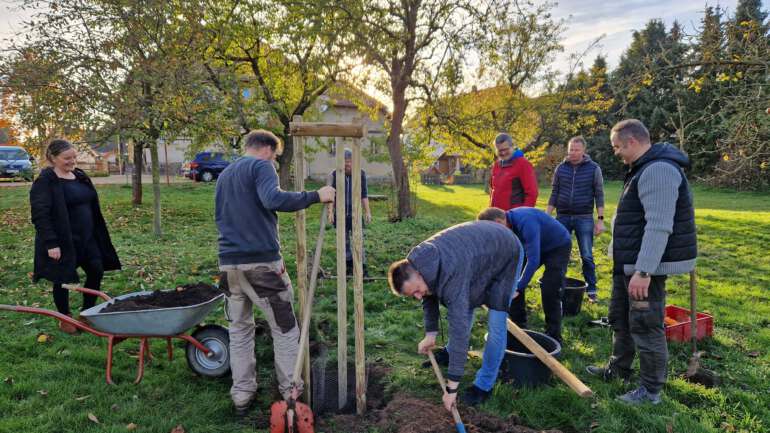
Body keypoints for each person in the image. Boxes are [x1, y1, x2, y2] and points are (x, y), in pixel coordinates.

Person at [214, 130, 335, 416]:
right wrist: (317, 195)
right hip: (262, 267)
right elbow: (273, 199)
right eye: (276, 155)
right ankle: (291, 394)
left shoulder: (225, 175)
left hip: (228, 266)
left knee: (240, 330)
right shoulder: (261, 165)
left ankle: (242, 396)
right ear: (267, 149)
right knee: (285, 329)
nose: (275, 160)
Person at [586, 119, 697, 405]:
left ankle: (650, 391)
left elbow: (659, 225)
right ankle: (618, 369)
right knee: (621, 318)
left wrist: (644, 271)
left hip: (645, 268)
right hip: (629, 264)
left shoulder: (659, 170)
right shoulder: (642, 168)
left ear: (632, 141)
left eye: (617, 147)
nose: (616, 153)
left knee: (646, 325)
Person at [387, 221, 523, 410]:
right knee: (462, 303)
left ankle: (484, 385)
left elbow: (460, 332)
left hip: (506, 252)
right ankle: (450, 354)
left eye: (416, 290)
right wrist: (431, 334)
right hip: (477, 253)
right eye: (413, 295)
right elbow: (428, 297)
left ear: (418, 274)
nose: (418, 296)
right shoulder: (418, 263)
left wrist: (452, 388)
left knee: (495, 323)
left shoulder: (451, 274)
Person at [30, 139, 121, 334]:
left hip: (87, 237)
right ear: (53, 158)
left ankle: (86, 314)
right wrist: (51, 243)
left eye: (74, 157)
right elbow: (40, 214)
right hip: (64, 240)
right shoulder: (45, 181)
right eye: (67, 158)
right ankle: (64, 318)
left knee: (96, 269)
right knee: (64, 278)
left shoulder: (79, 176)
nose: (72, 161)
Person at [477, 206, 570, 343]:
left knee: (550, 288)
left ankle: (554, 336)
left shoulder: (526, 221)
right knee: (512, 280)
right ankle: (519, 326)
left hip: (557, 246)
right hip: (533, 245)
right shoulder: (506, 225)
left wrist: (518, 287)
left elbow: (533, 260)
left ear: (498, 222)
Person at [546, 136, 605, 303]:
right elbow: (554, 193)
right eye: (571, 149)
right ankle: (558, 285)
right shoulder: (561, 168)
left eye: (576, 150)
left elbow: (599, 195)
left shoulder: (594, 169)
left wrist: (600, 220)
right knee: (559, 253)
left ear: (584, 151)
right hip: (562, 217)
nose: (572, 152)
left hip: (584, 218)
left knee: (586, 255)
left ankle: (591, 289)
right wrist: (546, 216)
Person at [327, 148, 372, 276]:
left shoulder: (360, 174)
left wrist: (367, 212)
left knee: (359, 241)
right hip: (340, 215)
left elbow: (364, 195)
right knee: (343, 242)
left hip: (356, 215)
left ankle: (362, 268)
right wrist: (330, 212)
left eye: (350, 161)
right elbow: (331, 196)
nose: (348, 164)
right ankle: (347, 267)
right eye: (345, 161)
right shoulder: (335, 175)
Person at [489, 133, 538, 210]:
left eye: (506, 149)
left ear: (512, 146)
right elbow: (493, 190)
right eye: (500, 150)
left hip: (514, 216)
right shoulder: (496, 165)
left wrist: (523, 215)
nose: (503, 153)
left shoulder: (523, 164)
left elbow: (532, 194)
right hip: (496, 216)